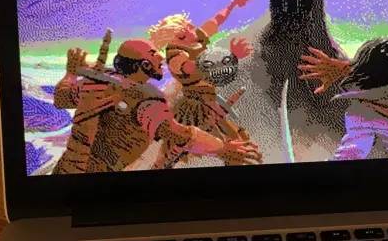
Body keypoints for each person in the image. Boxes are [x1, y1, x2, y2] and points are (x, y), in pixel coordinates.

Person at [51, 38, 260, 173]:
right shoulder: (145, 97)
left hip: (64, 172)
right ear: (143, 65)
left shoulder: (98, 81)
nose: (160, 57)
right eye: (153, 54)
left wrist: (70, 73)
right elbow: (178, 134)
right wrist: (223, 149)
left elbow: (61, 99)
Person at [148, 0, 258, 166]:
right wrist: (231, 56)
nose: (191, 31)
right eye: (183, 34)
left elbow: (216, 20)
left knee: (238, 143)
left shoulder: (194, 37)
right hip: (196, 109)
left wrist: (233, 4)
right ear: (175, 41)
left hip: (210, 103)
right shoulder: (176, 56)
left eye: (189, 27)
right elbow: (198, 68)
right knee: (226, 147)